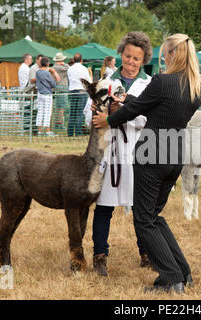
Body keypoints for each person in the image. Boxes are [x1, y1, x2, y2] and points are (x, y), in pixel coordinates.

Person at [93, 33, 201, 294]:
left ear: (173, 54)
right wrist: (129, 100)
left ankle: (171, 278)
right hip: (175, 153)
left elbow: (137, 110)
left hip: (150, 154)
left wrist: (108, 120)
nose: (162, 59)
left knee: (143, 220)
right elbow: (154, 107)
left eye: (165, 54)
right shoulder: (196, 87)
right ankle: (183, 272)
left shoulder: (161, 81)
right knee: (155, 216)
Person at [84, 32, 154, 276]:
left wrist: (122, 113)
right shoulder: (105, 81)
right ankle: (100, 255)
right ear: (121, 53)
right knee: (104, 206)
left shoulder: (149, 85)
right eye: (127, 56)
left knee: (141, 207)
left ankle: (147, 252)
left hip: (136, 152)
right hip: (108, 152)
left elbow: (150, 120)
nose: (131, 62)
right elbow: (88, 118)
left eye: (137, 58)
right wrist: (97, 110)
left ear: (144, 59)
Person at [67, 53, 91, 136]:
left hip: (73, 91)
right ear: (81, 60)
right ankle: (78, 133)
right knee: (80, 113)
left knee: (72, 112)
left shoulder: (70, 69)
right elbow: (88, 81)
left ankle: (70, 132)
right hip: (81, 92)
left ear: (74, 60)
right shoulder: (84, 69)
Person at [35, 56, 57, 136]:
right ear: (47, 64)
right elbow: (53, 84)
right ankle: (47, 131)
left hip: (40, 93)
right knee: (47, 112)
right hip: (47, 94)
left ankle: (39, 131)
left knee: (40, 112)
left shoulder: (37, 72)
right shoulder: (47, 73)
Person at [52, 52, 70, 130]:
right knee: (61, 107)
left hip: (59, 88)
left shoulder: (55, 67)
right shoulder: (59, 67)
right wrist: (64, 64)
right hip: (61, 88)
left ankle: (58, 123)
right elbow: (69, 68)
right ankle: (59, 124)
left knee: (59, 107)